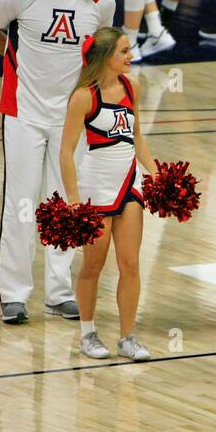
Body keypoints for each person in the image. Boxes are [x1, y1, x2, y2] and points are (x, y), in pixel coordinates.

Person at [0, 0, 117, 324]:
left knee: (66, 202)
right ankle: (13, 295)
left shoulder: (103, 3)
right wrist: (14, 64)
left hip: (70, 119)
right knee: (21, 203)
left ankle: (59, 293)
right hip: (23, 113)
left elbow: (100, 55)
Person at [59, 26, 156, 361]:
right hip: (96, 186)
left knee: (130, 263)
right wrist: (73, 200)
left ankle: (127, 337)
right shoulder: (84, 96)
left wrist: (155, 174)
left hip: (129, 181)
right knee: (93, 265)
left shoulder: (133, 86)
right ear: (105, 57)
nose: (130, 57)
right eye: (124, 52)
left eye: (130, 50)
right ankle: (88, 334)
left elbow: (137, 135)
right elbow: (66, 152)